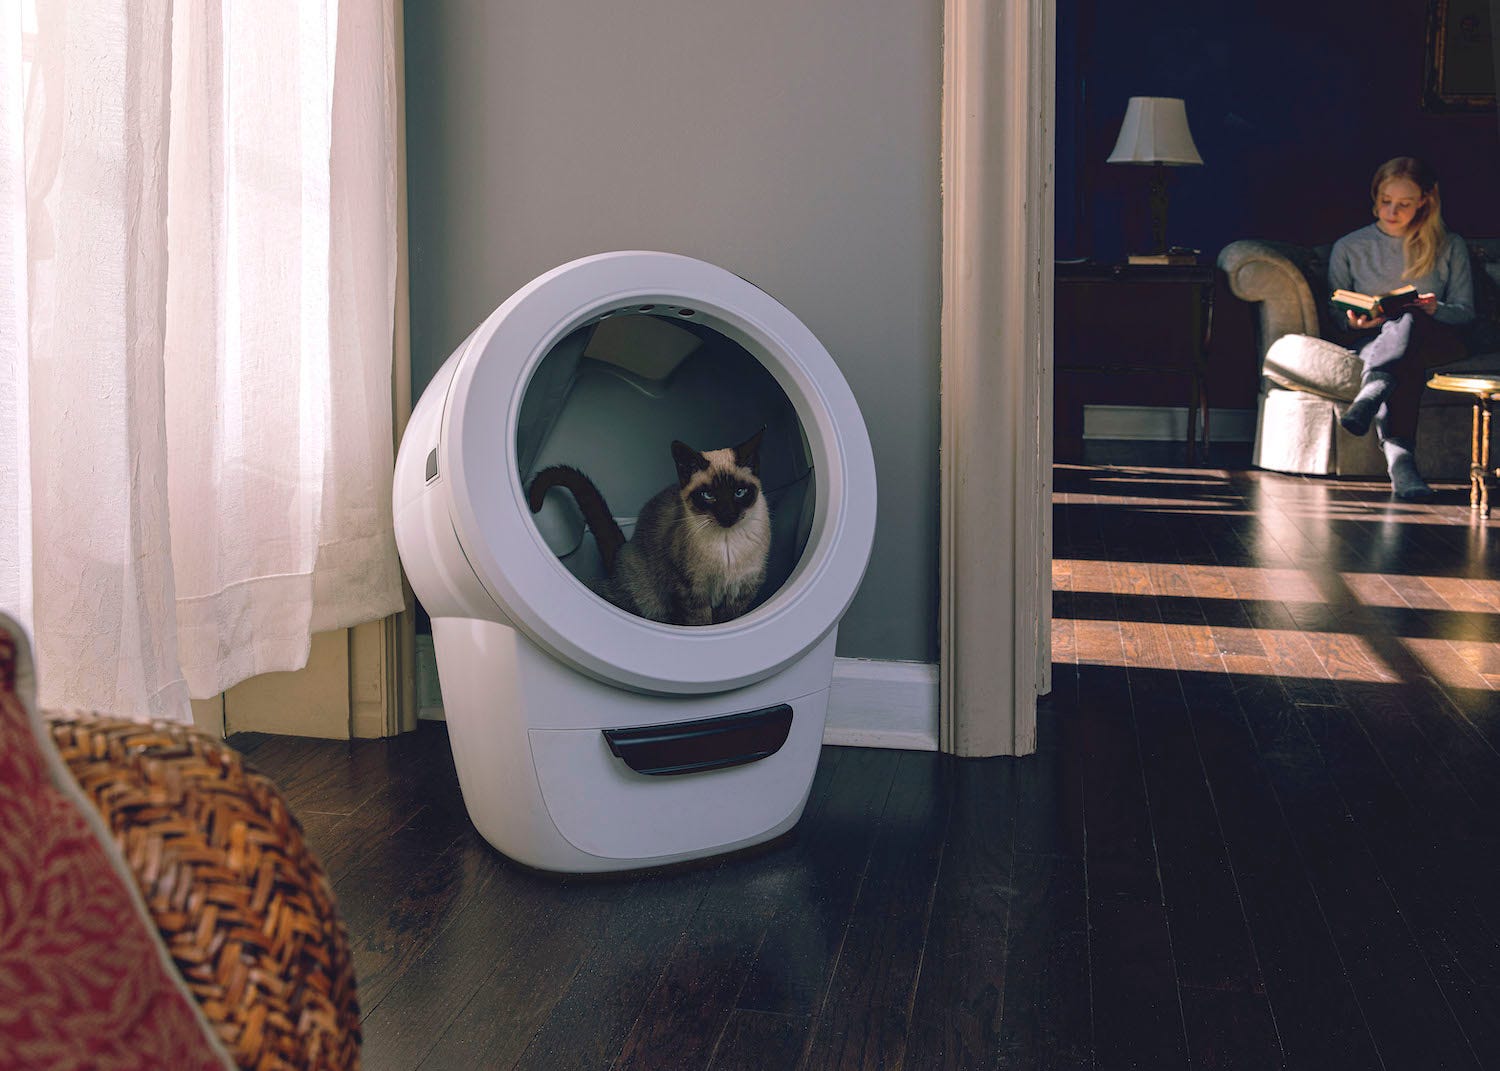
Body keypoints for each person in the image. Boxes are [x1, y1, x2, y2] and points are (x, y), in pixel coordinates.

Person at [1330, 156, 1475, 500]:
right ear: (1375, 196)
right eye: (1385, 201)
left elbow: (1466, 313)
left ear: (1424, 201)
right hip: (1375, 339)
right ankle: (1402, 464)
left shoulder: (1449, 245)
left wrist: (1436, 308)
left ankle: (1374, 392)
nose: (1391, 211)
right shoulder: (1349, 247)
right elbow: (1336, 312)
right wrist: (1354, 321)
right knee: (1402, 360)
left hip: (1437, 339)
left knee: (1409, 319)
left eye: (1404, 204)